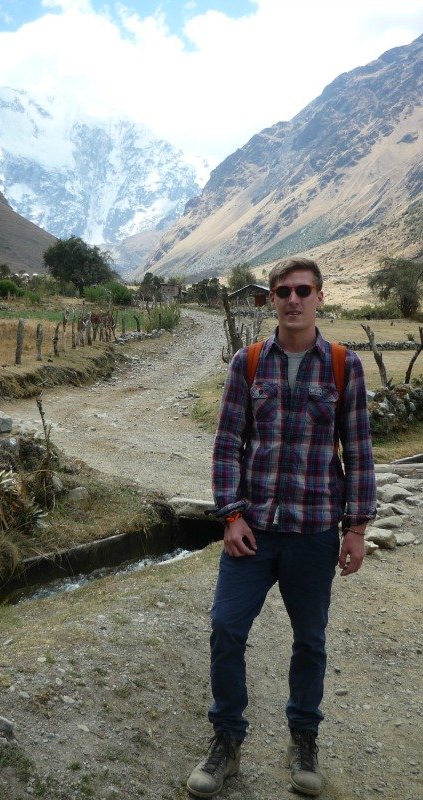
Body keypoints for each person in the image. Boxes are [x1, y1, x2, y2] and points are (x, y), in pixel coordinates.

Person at [187, 257, 376, 798]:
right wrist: (231, 513)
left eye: (302, 290)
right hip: (254, 530)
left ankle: (304, 738)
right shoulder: (246, 363)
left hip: (315, 531)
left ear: (319, 296)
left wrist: (356, 527)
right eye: (282, 291)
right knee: (226, 628)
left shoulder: (344, 365)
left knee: (310, 642)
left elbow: (359, 451)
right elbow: (227, 444)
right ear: (270, 299)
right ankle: (226, 740)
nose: (292, 300)